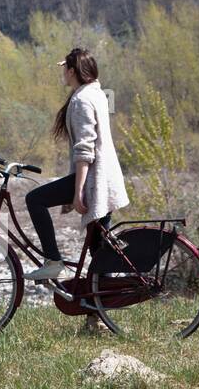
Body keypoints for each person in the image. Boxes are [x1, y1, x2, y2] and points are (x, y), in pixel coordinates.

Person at [23, 48, 130, 282]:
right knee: (98, 249)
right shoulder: (96, 93)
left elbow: (85, 150)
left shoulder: (81, 100)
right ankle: (96, 315)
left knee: (35, 199)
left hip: (94, 178)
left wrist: (78, 191)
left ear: (72, 71)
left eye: (65, 69)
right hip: (104, 176)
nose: (63, 72)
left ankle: (53, 261)